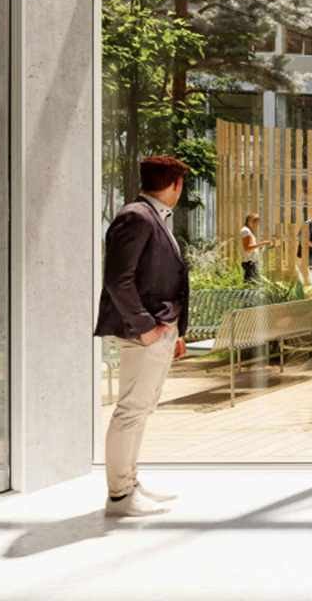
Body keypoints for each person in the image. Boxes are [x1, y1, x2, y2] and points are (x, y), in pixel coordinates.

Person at [94, 155, 191, 518]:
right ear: (175, 185)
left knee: (140, 410)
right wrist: (146, 327)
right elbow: (117, 279)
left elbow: (160, 279)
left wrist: (174, 330)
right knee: (131, 411)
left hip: (161, 332)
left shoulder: (154, 217)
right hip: (143, 334)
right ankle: (119, 496)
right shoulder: (135, 216)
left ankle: (130, 484)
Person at [238, 213, 273, 283]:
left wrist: (269, 247)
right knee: (255, 283)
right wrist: (263, 243)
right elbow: (247, 248)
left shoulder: (248, 231)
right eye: (257, 222)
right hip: (250, 262)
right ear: (252, 221)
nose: (257, 225)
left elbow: (255, 248)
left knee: (249, 283)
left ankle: (245, 294)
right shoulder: (246, 231)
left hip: (251, 262)